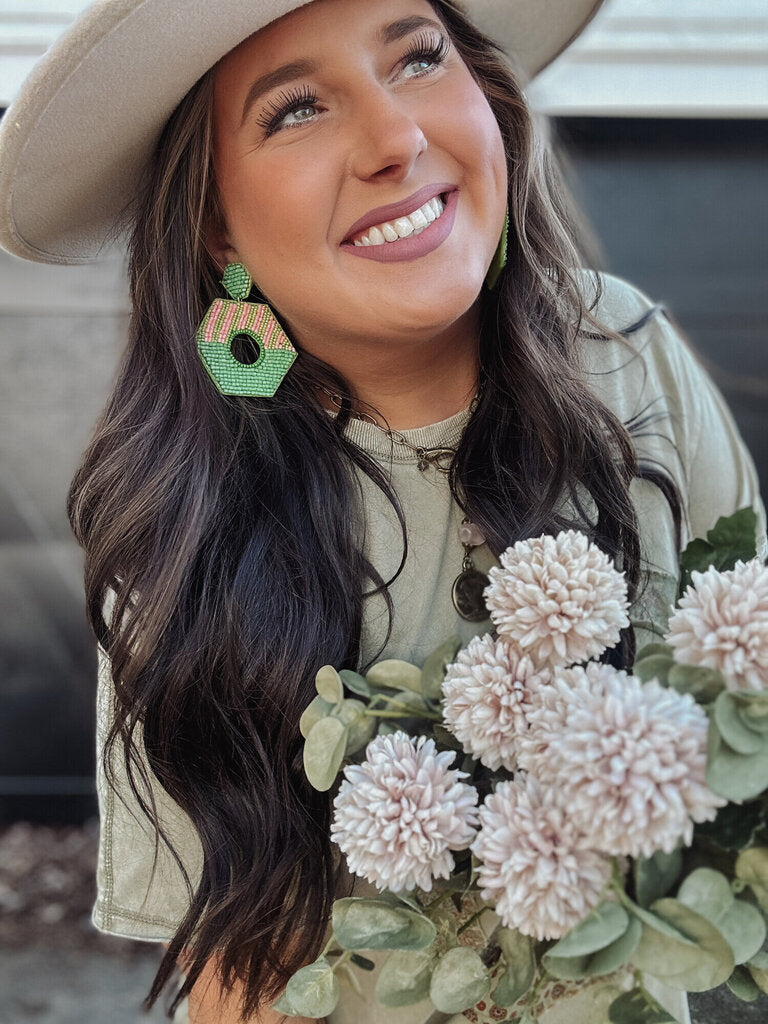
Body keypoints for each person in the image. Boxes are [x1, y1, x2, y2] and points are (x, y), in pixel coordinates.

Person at [0, 1, 764, 1022]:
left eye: (417, 58)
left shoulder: (625, 352)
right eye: (297, 109)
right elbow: (241, 978)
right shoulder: (176, 536)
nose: (397, 140)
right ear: (216, 221)